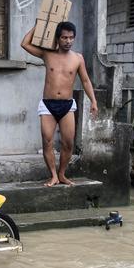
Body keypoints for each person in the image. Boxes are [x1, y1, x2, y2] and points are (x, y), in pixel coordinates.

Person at [21, 21, 99, 187]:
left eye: (71, 38)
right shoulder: (47, 54)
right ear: (58, 38)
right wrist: (38, 25)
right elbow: (24, 44)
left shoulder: (78, 58)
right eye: (64, 37)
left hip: (67, 105)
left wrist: (93, 100)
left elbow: (85, 80)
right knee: (47, 141)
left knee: (68, 143)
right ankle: (53, 175)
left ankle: (62, 174)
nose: (68, 41)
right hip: (48, 104)